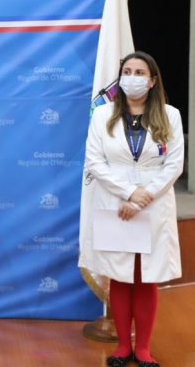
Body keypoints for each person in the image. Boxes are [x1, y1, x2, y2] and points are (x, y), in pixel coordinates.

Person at [79, 51, 184, 367]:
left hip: (153, 204)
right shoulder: (102, 114)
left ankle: (143, 349)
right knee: (121, 275)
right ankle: (123, 347)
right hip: (115, 204)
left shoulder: (170, 115)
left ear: (151, 81)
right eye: (127, 71)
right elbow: (94, 161)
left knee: (146, 276)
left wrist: (143, 197)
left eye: (139, 73)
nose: (132, 77)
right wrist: (129, 193)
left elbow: (174, 164)